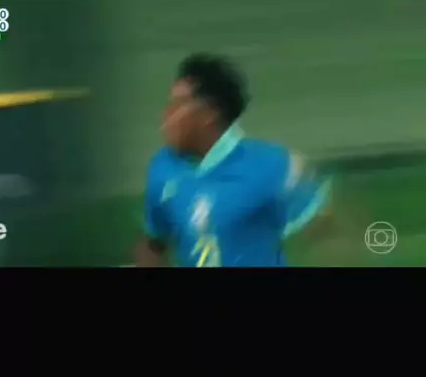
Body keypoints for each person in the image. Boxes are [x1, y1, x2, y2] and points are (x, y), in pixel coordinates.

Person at [135, 53, 332, 267]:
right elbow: (153, 244)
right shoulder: (164, 168)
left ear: (209, 114)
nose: (166, 117)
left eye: (178, 105)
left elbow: (331, 239)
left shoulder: (272, 165)